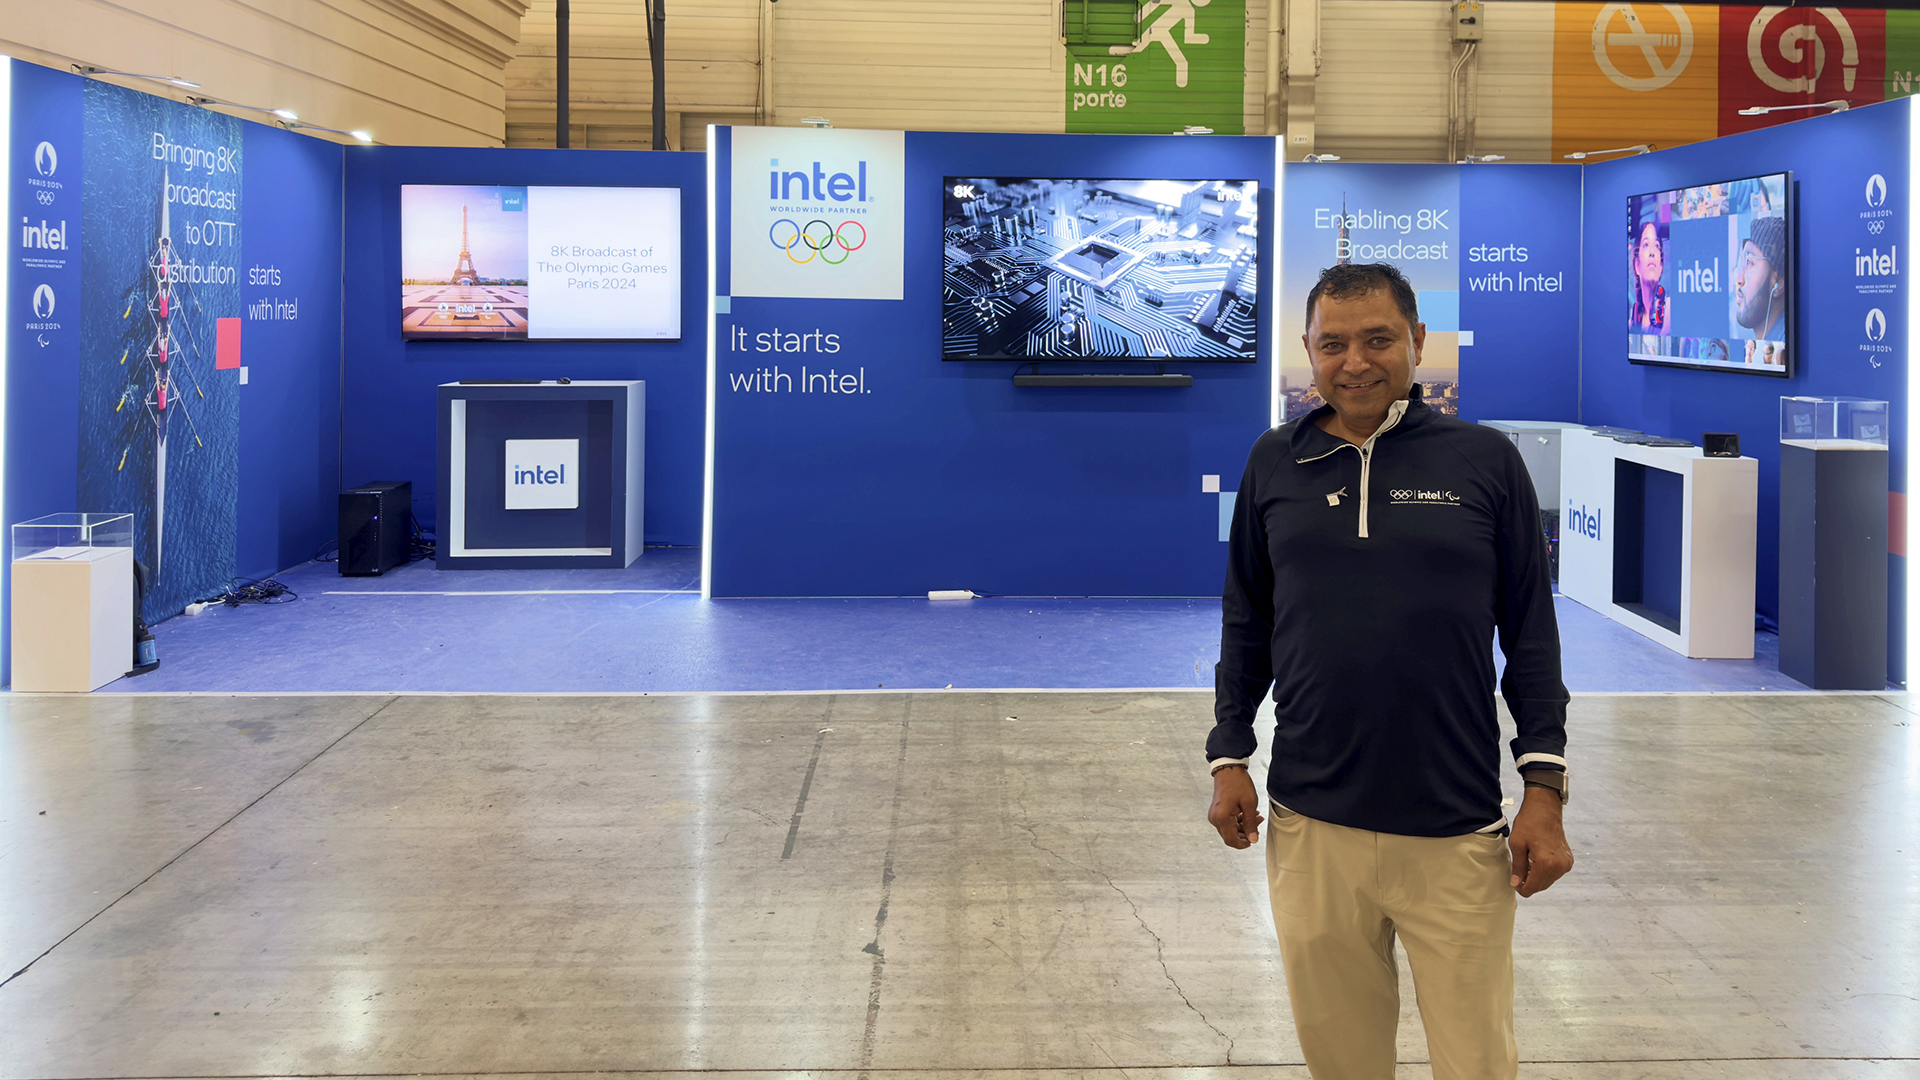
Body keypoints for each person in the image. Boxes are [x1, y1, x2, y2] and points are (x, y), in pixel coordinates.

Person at [1207, 262, 1572, 1080]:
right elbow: (1248, 622)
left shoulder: (1485, 462)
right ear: (1308, 351)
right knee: (1342, 1064)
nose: (1355, 362)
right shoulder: (1274, 463)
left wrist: (1543, 791)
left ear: (1417, 342)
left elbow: (1532, 638)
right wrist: (1230, 755)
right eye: (1332, 344)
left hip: (1455, 830)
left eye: (1377, 339)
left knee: (1477, 1062)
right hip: (1310, 826)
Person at [1733, 215, 1786, 342]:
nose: (1739, 279)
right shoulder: (1763, 350)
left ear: (1777, 284)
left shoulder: (1783, 347)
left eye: (1750, 263)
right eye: (1741, 263)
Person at [1630, 217, 1669, 332]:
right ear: (1637, 266)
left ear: (1661, 267)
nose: (1652, 252)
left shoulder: (1671, 311)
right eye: (1646, 245)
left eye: (1656, 246)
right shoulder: (1631, 325)